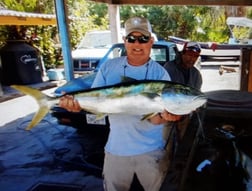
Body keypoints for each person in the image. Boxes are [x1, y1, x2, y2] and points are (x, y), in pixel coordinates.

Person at [59, 17, 181, 191]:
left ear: (151, 41)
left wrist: (167, 117)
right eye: (131, 38)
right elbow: (95, 103)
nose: (137, 44)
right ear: (124, 41)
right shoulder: (109, 68)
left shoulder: (160, 74)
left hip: (151, 151)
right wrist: (76, 105)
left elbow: (155, 120)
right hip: (115, 150)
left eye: (143, 38)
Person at [163, 42, 203, 142]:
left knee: (181, 144)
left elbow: (196, 96)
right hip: (167, 116)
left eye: (195, 56)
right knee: (165, 145)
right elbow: (162, 92)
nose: (192, 59)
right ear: (182, 53)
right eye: (189, 55)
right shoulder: (169, 68)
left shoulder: (196, 74)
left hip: (185, 116)